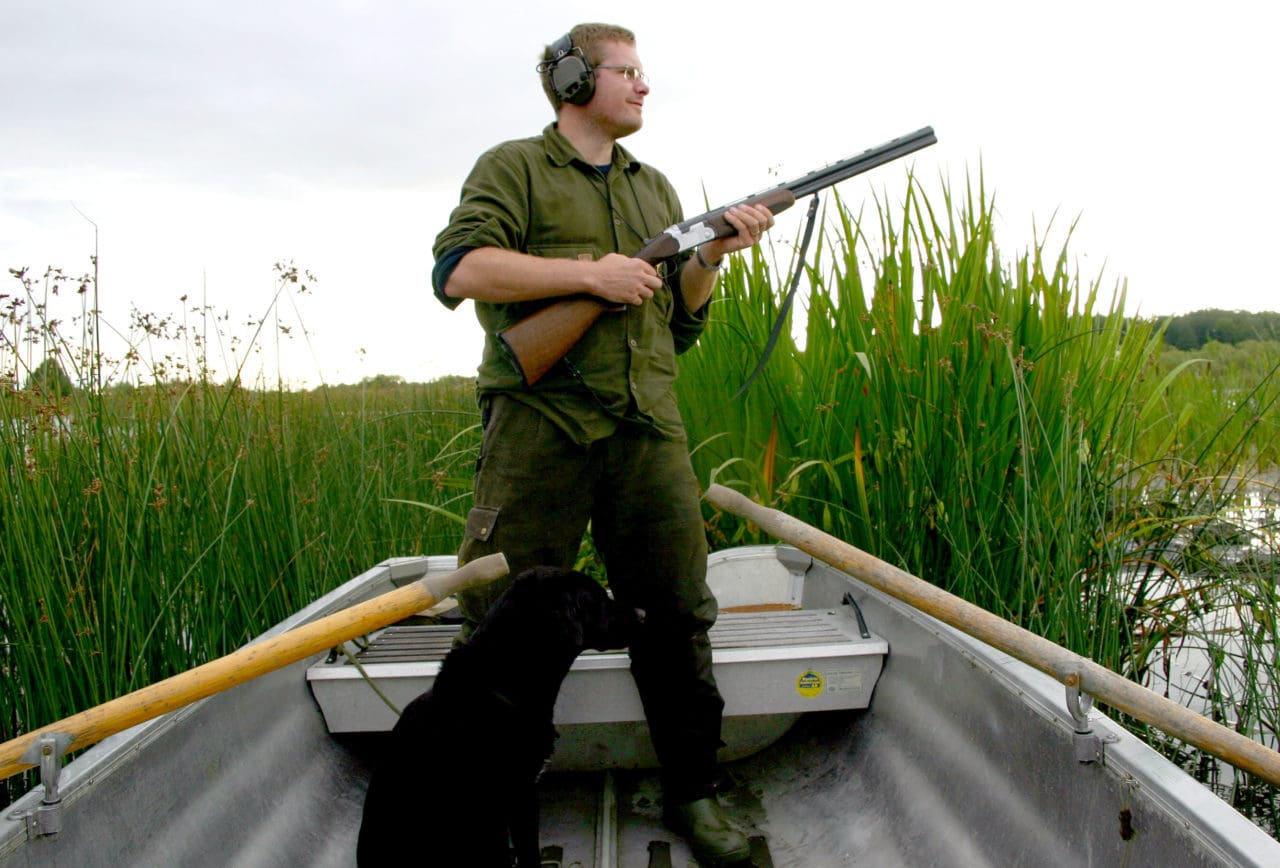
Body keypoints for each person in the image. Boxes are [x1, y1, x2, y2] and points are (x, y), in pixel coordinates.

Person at [430, 22, 773, 866]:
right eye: (627, 71)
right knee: (497, 617)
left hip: (645, 429)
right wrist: (590, 273)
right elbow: (459, 270)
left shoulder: (656, 189)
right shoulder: (514, 167)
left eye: (643, 73)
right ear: (576, 79)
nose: (644, 86)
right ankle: (476, 804)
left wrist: (714, 257)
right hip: (539, 428)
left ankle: (696, 791)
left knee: (679, 614)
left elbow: (680, 322)